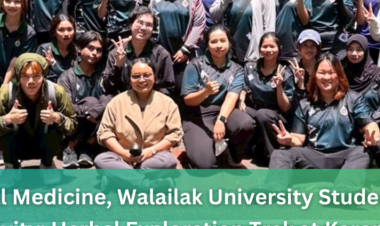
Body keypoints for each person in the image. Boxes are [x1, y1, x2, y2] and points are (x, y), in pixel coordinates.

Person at [269, 54, 380, 169]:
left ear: (339, 75)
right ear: (315, 76)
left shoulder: (353, 99)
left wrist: (372, 136)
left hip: (345, 155)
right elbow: (298, 138)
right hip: (314, 156)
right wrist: (289, 139)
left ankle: (345, 181)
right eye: (322, 73)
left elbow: (370, 124)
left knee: (361, 152)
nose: (326, 77)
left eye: (331, 72)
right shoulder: (305, 104)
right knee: (280, 154)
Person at [0, 53, 77, 171]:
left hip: (44, 143)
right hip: (16, 144)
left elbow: (73, 125)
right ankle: (12, 166)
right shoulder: (6, 92)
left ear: (44, 76)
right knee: (7, 124)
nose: (31, 81)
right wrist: (7, 119)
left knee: (55, 125)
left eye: (36, 76)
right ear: (18, 76)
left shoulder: (56, 91)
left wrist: (57, 118)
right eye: (25, 76)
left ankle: (47, 164)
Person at [181, 25, 256, 168]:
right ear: (207, 44)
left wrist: (221, 120)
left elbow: (231, 97)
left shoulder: (237, 69)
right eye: (214, 41)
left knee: (246, 123)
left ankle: (232, 155)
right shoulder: (195, 65)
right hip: (198, 114)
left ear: (229, 42)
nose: (219, 45)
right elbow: (188, 100)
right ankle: (204, 150)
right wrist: (205, 92)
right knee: (206, 164)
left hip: (223, 111)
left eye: (223, 40)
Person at [95, 58, 182, 170]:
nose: (141, 80)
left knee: (169, 160)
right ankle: (142, 177)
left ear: (154, 77)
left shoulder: (167, 103)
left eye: (147, 75)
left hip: (155, 156)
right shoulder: (117, 102)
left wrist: (152, 151)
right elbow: (105, 132)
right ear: (129, 79)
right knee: (101, 159)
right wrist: (124, 154)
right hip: (123, 158)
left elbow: (175, 134)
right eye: (136, 76)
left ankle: (128, 176)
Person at [58, 31, 113, 169]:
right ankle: (70, 148)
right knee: (91, 102)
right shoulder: (67, 77)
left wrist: (96, 112)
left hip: (97, 125)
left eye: (99, 50)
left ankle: (87, 147)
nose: (95, 53)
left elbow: (111, 98)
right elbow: (66, 106)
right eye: (90, 48)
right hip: (74, 127)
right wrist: (90, 111)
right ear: (79, 48)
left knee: (106, 100)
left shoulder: (103, 75)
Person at [241, 33, 295, 162]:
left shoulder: (285, 72)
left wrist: (279, 85)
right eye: (265, 46)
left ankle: (274, 157)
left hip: (276, 115)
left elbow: (285, 107)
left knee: (263, 114)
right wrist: (241, 100)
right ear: (259, 48)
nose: (268, 50)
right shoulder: (250, 67)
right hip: (255, 110)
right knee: (239, 111)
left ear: (279, 48)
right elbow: (243, 87)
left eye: (272, 46)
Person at [149, 0, 206, 80]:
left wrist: (186, 49)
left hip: (183, 56)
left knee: (183, 88)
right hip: (157, 55)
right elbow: (142, 18)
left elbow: (199, 24)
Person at [103, 7, 175, 96]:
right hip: (123, 100)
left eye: (149, 25)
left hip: (151, 100)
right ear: (130, 25)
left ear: (153, 29)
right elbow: (107, 88)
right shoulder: (116, 53)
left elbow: (169, 87)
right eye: (140, 23)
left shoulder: (161, 54)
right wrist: (117, 66)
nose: (143, 28)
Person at [37, 14, 77, 84]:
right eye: (61, 30)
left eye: (69, 29)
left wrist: (54, 65)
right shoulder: (44, 49)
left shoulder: (77, 51)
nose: (66, 34)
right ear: (54, 32)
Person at [291, 29, 321, 95]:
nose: (309, 49)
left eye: (313, 45)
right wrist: (300, 80)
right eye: (305, 45)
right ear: (299, 48)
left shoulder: (323, 67)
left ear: (318, 48)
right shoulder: (293, 69)